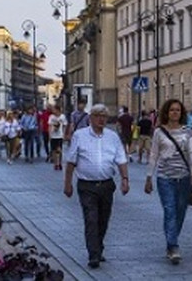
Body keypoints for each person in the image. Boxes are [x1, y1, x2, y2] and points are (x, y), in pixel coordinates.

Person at [63, 103, 129, 269]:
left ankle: (98, 246)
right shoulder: (80, 135)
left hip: (107, 185)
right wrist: (68, 183)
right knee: (91, 219)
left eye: (104, 116)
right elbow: (71, 161)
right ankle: (93, 254)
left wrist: (125, 179)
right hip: (87, 186)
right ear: (90, 118)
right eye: (97, 115)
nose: (101, 119)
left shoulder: (112, 137)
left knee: (103, 220)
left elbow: (121, 159)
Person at [145, 98, 192, 264]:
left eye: (177, 110)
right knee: (170, 210)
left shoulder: (187, 131)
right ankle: (173, 246)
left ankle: (171, 242)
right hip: (165, 177)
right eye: (172, 110)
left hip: (183, 177)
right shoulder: (159, 132)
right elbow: (154, 154)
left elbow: (191, 151)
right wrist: (149, 177)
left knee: (181, 211)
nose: (175, 113)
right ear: (166, 113)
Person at [48, 104, 68, 169]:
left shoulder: (62, 117)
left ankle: (59, 163)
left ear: (58, 110)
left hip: (60, 135)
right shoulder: (51, 117)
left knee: (59, 149)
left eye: (54, 109)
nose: (53, 110)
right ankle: (55, 163)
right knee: (53, 150)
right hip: (53, 135)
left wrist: (64, 134)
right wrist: (49, 134)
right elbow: (50, 126)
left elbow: (65, 125)